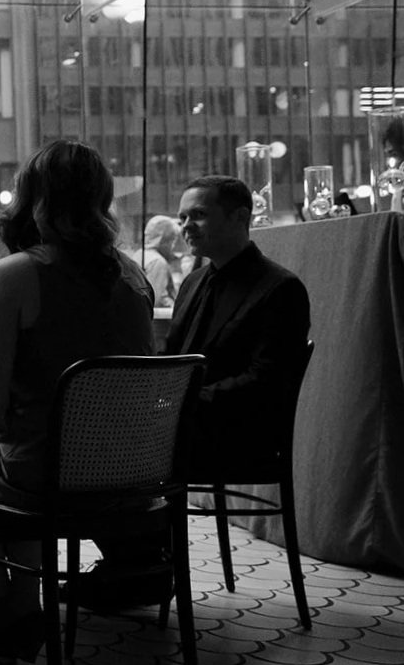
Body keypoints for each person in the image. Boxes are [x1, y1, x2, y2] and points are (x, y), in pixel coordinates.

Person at [0, 140, 154, 659]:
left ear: (31, 199)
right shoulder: (133, 274)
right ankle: (21, 605)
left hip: (47, 474)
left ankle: (15, 605)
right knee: (17, 459)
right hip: (137, 474)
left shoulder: (14, 274)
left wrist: (3, 415)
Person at [75, 175, 312, 610]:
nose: (186, 226)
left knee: (104, 453)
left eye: (198, 215)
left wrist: (175, 405)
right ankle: (138, 564)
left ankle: (140, 568)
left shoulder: (280, 288)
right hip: (185, 425)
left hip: (237, 434)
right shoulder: (195, 281)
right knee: (94, 441)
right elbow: (171, 357)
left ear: (241, 217)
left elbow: (265, 383)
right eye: (182, 217)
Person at [142, 213, 184, 306]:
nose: (172, 246)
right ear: (163, 240)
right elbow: (157, 300)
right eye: (172, 240)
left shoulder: (140, 254)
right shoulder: (158, 262)